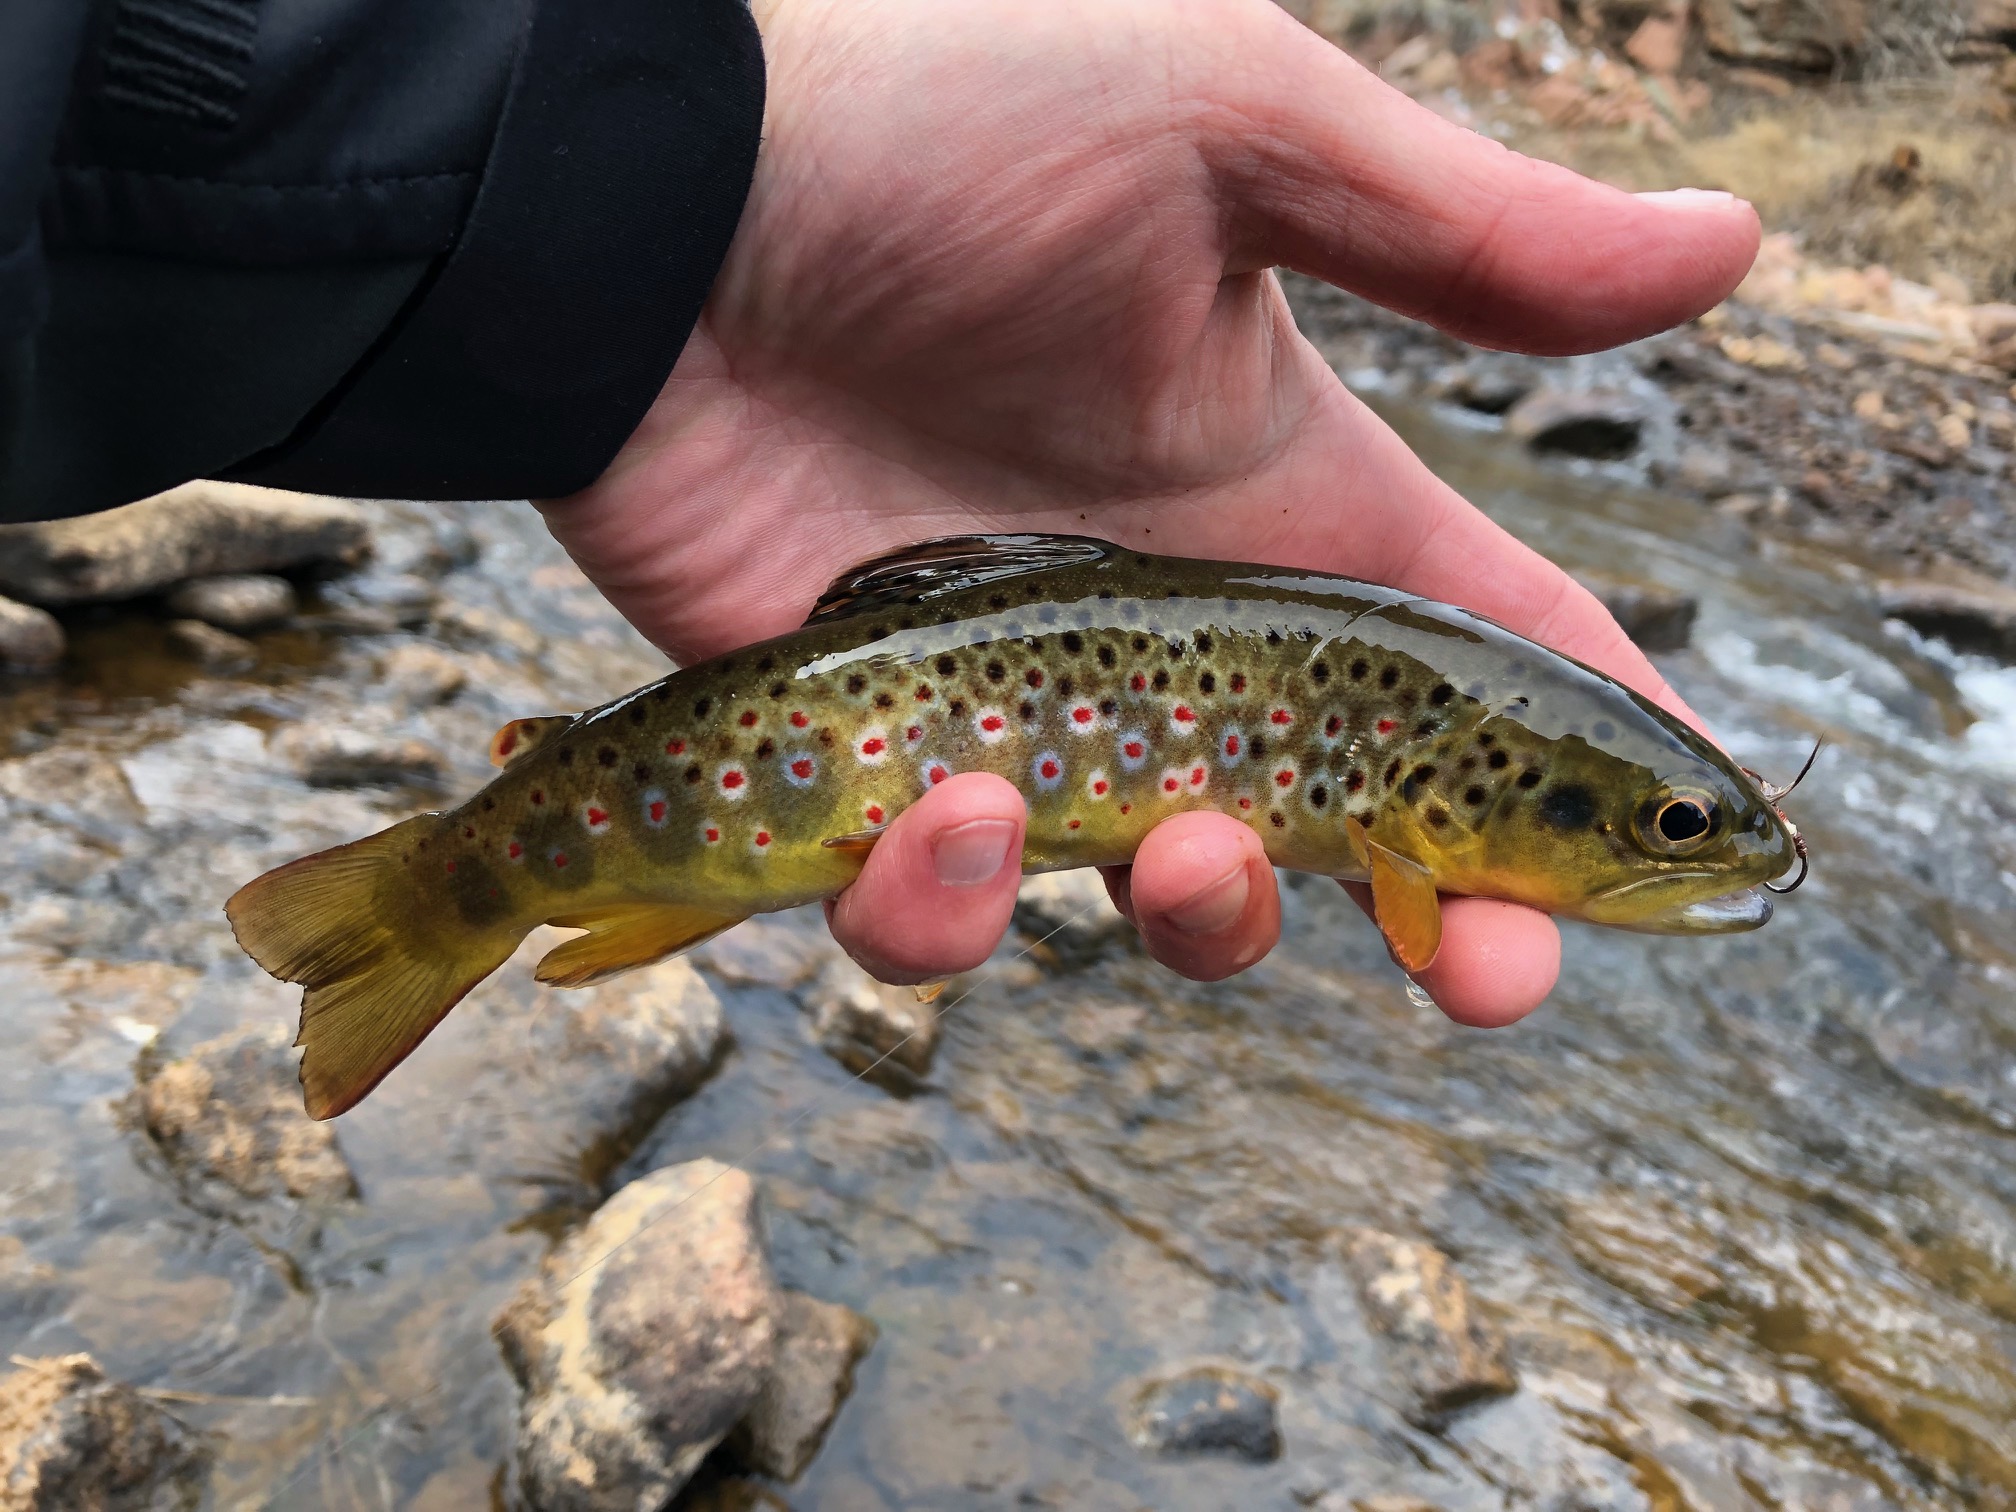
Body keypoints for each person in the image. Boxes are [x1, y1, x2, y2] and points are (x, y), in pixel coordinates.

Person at [3, 0, 1760, 1024]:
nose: (1696, 849)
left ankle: (469, 878)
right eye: (1665, 826)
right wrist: (702, 200)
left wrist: (655, 199)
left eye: (1675, 826)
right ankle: (452, 884)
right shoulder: (1408, 785)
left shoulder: (1420, 767)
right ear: (1451, 811)